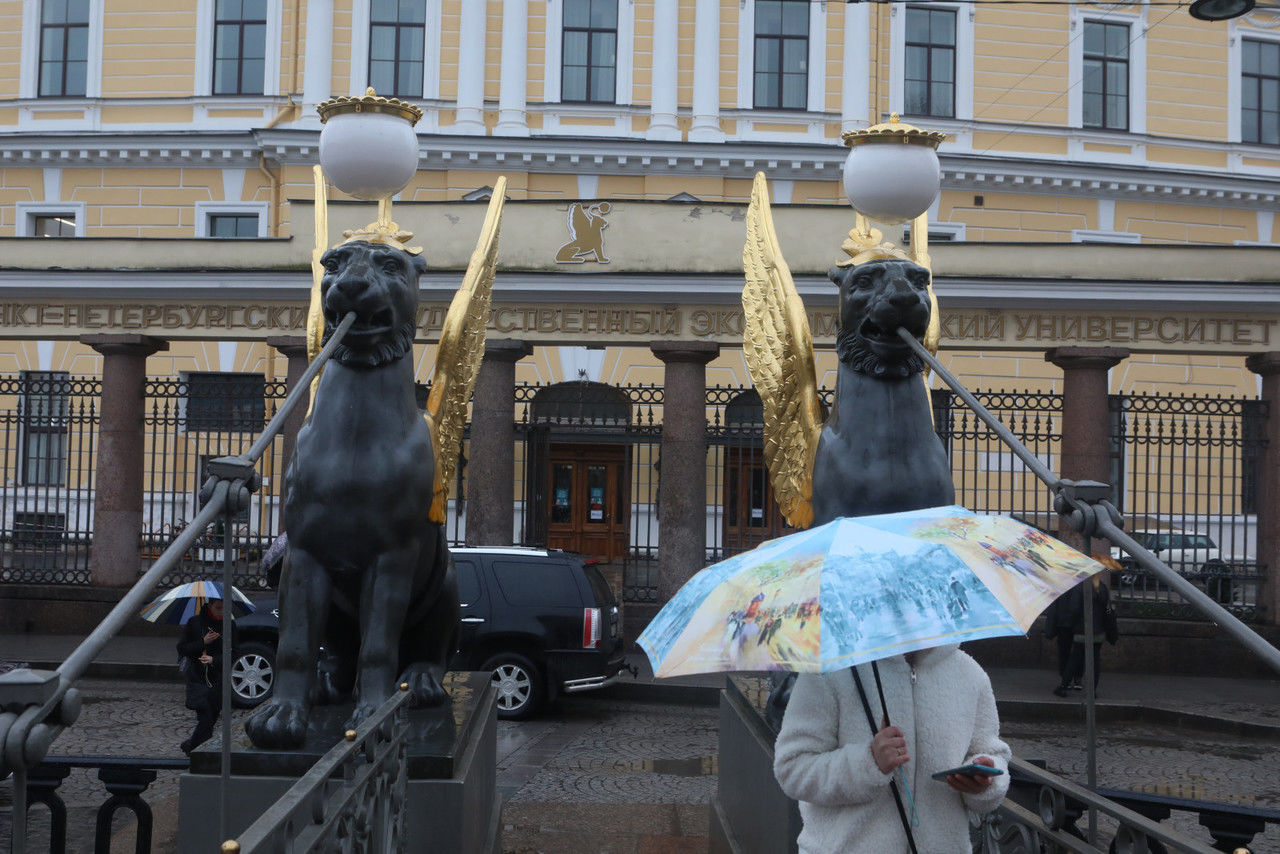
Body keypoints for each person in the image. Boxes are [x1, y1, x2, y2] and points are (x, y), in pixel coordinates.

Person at [773, 645, 1011, 852]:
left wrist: (984, 779)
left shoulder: (970, 675)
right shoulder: (832, 670)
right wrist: (867, 763)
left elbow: (992, 752)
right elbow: (792, 767)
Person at [176, 598, 235, 755]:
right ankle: (201, 754)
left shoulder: (229, 625)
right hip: (198, 678)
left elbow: (233, 652)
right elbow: (182, 648)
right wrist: (203, 642)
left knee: (212, 718)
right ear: (210, 606)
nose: (222, 611)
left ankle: (191, 746)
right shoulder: (195, 623)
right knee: (206, 718)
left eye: (225, 608)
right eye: (218, 608)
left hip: (218, 679)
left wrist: (214, 660)